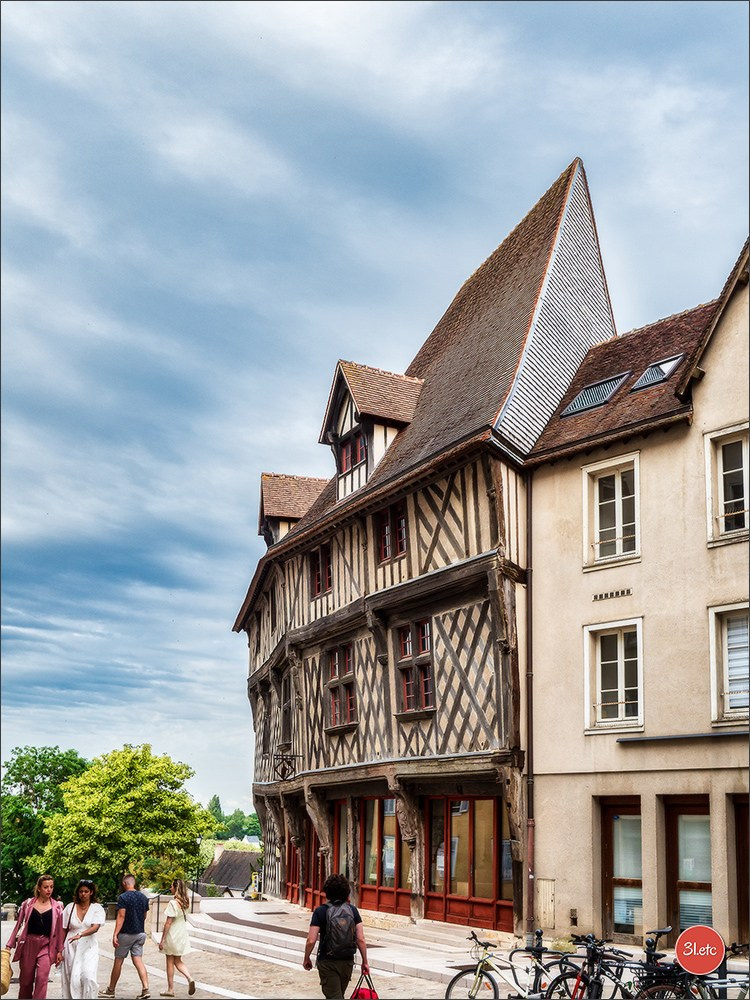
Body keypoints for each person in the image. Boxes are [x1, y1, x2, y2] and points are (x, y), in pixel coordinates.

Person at [302, 873, 369, 1000]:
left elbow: (311, 940)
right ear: (346, 892)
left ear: (327, 892)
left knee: (335, 997)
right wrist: (365, 962)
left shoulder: (320, 911)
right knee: (338, 996)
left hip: (327, 961)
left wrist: (307, 957)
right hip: (347, 961)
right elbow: (360, 939)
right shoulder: (352, 911)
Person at [6, 873, 65, 1000]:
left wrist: (60, 950)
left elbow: (60, 930)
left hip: (47, 945)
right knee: (26, 982)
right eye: (45, 887)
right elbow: (18, 925)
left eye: (51, 887)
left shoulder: (57, 907)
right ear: (39, 888)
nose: (49, 890)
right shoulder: (28, 904)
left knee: (42, 978)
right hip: (28, 943)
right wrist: (9, 945)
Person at [98, 874, 150, 1000]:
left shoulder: (123, 897)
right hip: (140, 933)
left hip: (126, 934)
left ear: (124, 884)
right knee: (138, 960)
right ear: (134, 883)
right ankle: (145, 988)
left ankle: (111, 990)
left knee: (118, 961)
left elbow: (121, 916)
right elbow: (144, 916)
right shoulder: (143, 897)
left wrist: (115, 934)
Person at [60, 879, 106, 999]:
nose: (83, 894)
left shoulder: (97, 908)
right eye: (81, 891)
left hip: (88, 945)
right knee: (71, 979)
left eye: (86, 891)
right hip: (70, 945)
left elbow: (95, 927)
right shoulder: (70, 907)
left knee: (88, 976)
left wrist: (81, 934)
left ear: (91, 892)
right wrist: (59, 950)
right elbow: (63, 929)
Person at [157, 879, 196, 998]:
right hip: (182, 933)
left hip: (172, 934)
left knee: (169, 962)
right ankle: (189, 977)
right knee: (178, 960)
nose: (170, 888)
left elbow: (168, 923)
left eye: (171, 887)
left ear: (175, 888)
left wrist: (162, 939)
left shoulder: (173, 903)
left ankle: (170, 989)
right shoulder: (186, 902)